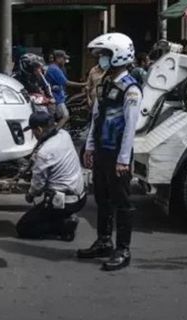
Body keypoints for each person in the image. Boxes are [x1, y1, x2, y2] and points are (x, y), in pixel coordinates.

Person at [77, 33, 143, 271]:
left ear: (118, 56)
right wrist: (90, 147)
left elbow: (129, 128)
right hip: (102, 151)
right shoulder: (105, 83)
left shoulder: (131, 89)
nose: (101, 59)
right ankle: (104, 241)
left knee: (122, 202)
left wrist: (123, 160)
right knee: (102, 199)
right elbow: (96, 116)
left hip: (118, 154)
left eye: (105, 55)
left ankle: (123, 250)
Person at [16, 112, 86, 241]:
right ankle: (63, 219)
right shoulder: (64, 135)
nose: (34, 135)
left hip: (63, 202)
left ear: (39, 130)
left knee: (23, 228)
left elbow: (38, 186)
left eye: (33, 132)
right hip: (80, 197)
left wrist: (30, 195)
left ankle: (64, 226)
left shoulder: (44, 152)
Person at [45, 50, 85, 129]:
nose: (65, 61)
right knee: (65, 116)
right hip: (56, 98)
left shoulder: (57, 68)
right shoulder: (54, 69)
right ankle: (54, 132)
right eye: (64, 59)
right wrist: (84, 84)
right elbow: (66, 83)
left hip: (58, 96)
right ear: (58, 58)